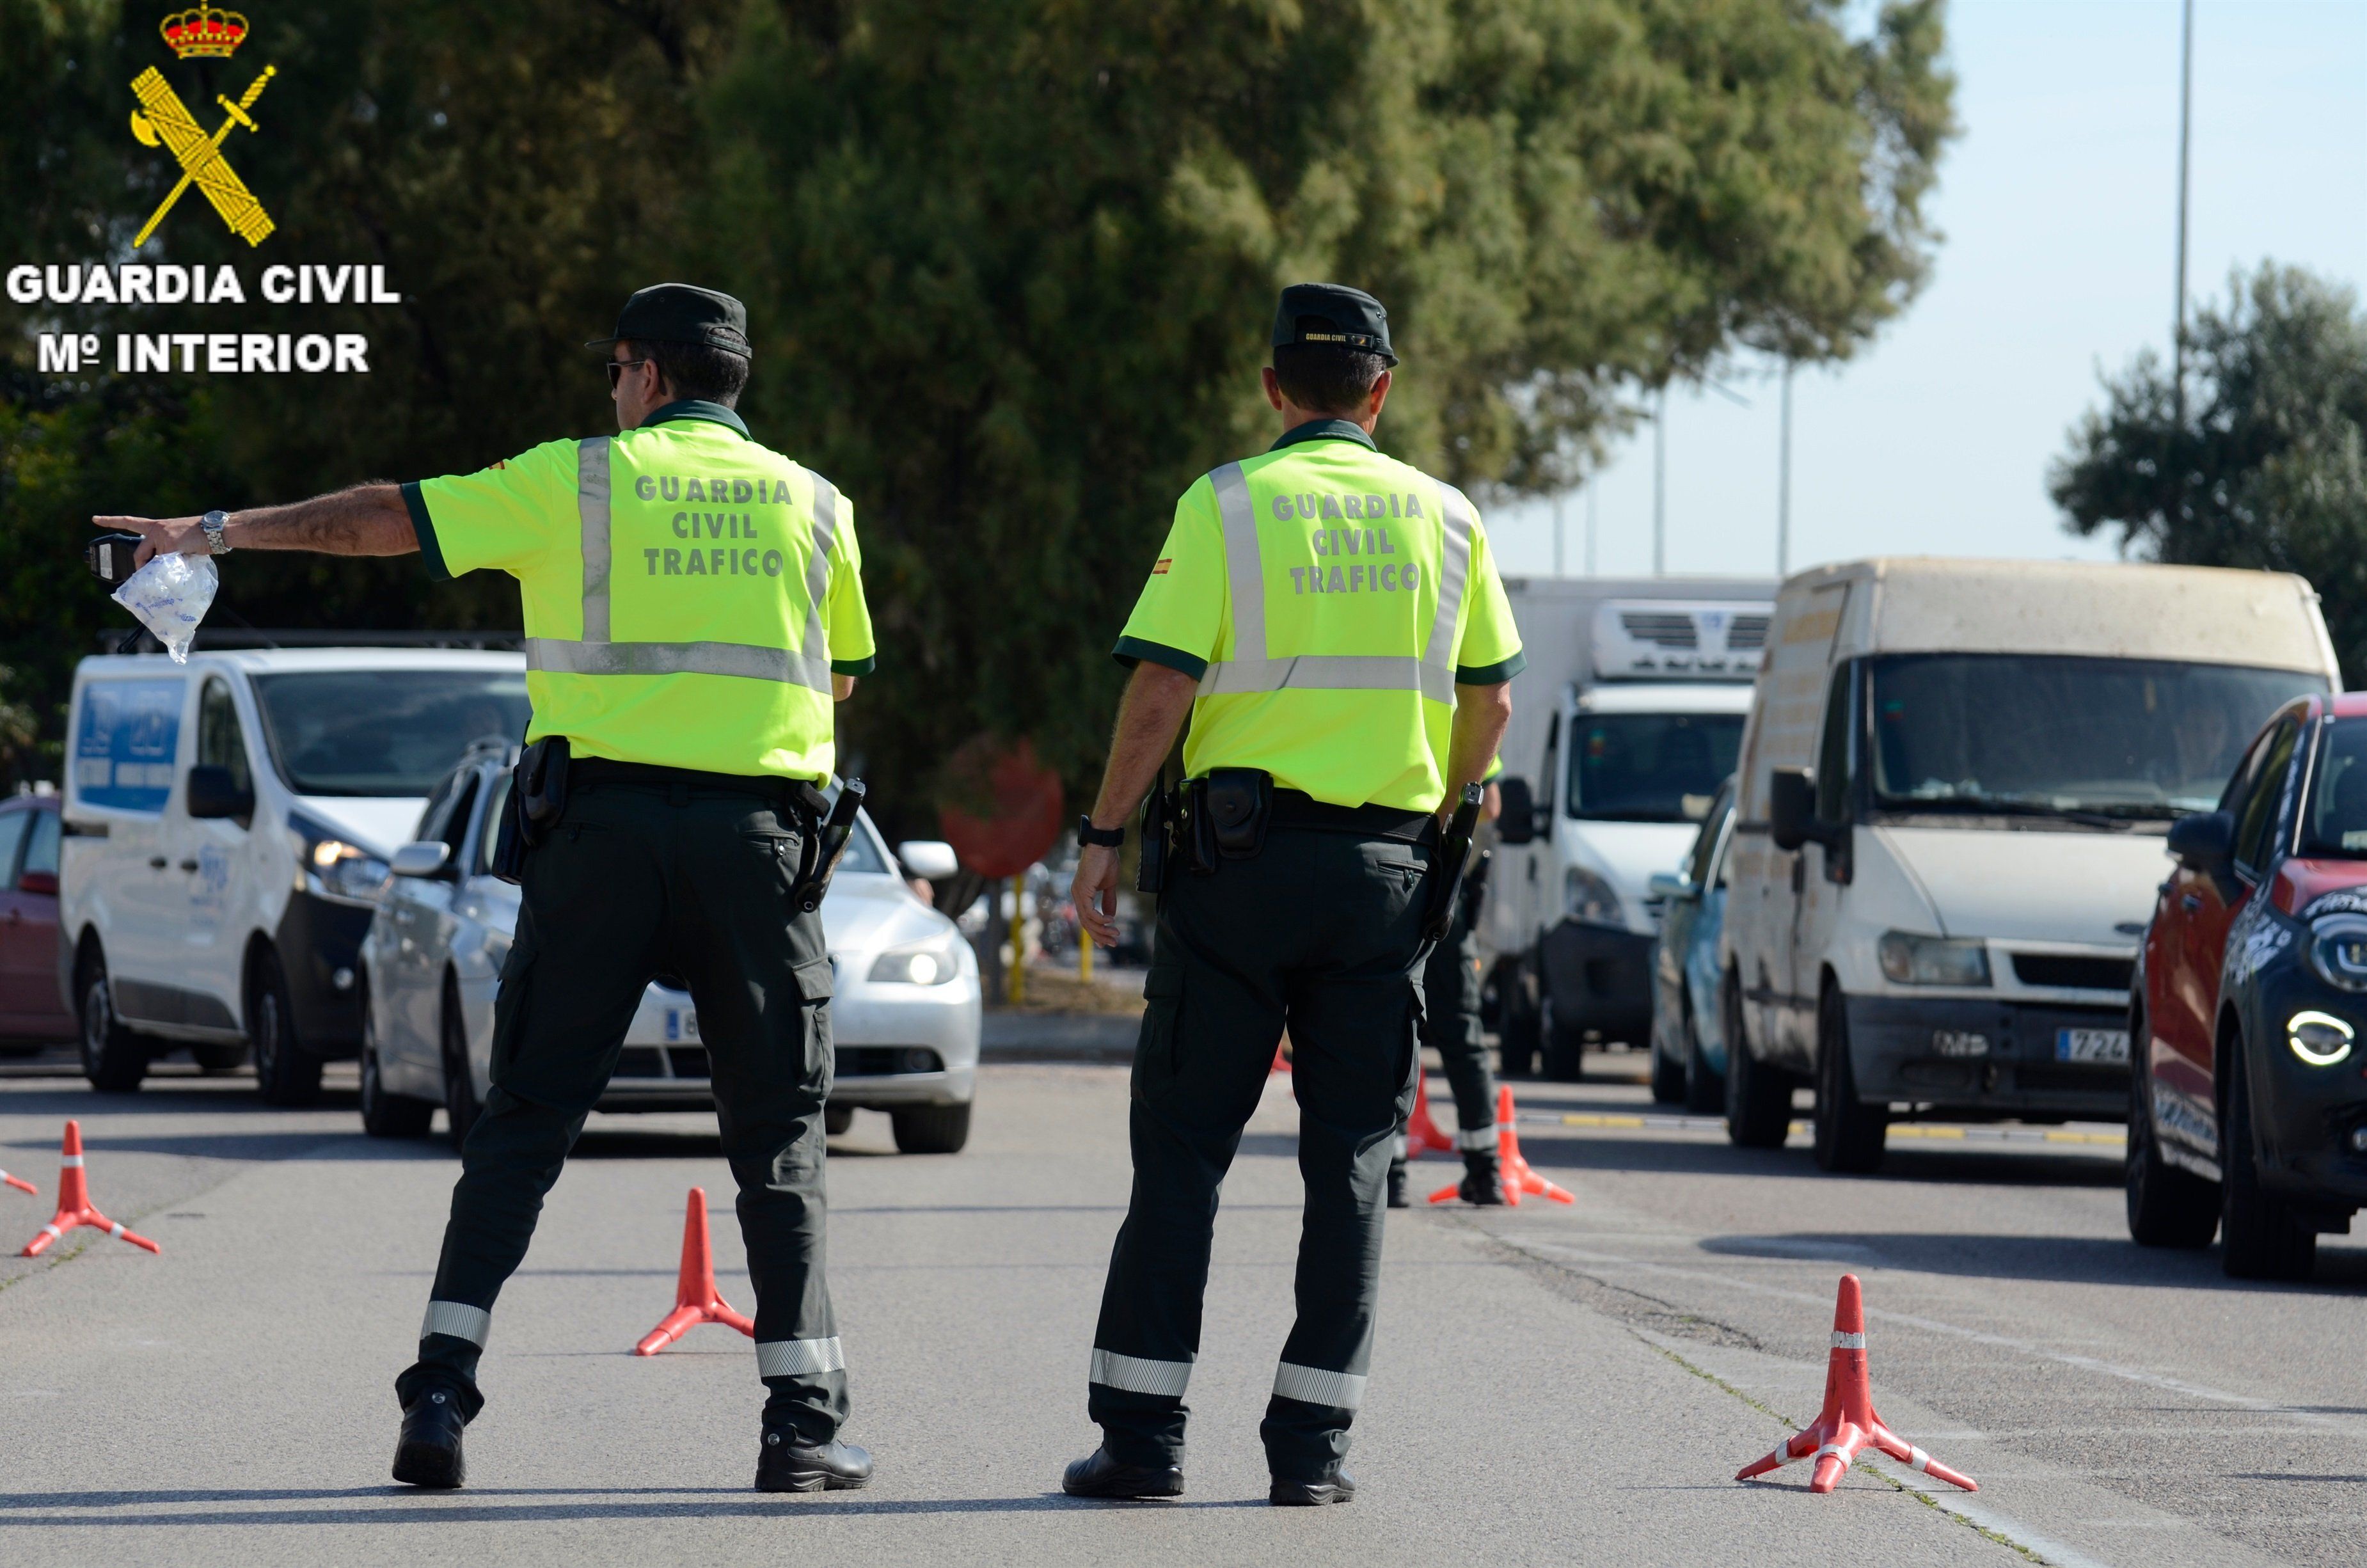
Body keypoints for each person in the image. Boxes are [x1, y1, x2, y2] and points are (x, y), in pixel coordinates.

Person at [94, 283, 878, 1496]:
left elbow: (380, 521)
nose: (610, 392)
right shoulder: (820, 505)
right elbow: (840, 684)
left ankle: (443, 1400)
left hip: (599, 836)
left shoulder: (577, 481)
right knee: (778, 1134)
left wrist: (214, 529)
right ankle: (803, 1427)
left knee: (522, 1124)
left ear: (652, 376)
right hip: (757, 846)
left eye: (616, 370)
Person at [1063, 283, 1521, 1506]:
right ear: (1382, 390)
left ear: (1274, 385)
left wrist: (1103, 833)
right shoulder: (1450, 519)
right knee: (1354, 1163)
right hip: (1385, 879)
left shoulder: (1225, 505)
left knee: (1182, 1154)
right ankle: (1311, 1455)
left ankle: (1144, 1441)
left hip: (1239, 873)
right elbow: (1493, 704)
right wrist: (1448, 812)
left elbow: (1159, 692)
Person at [1389, 763, 1505, 1208]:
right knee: (1462, 1033)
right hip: (1447, 894)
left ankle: (1392, 1173)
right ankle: (1485, 1169)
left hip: (1394, 883)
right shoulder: (1463, 708)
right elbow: (1490, 805)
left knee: (1394, 1024)